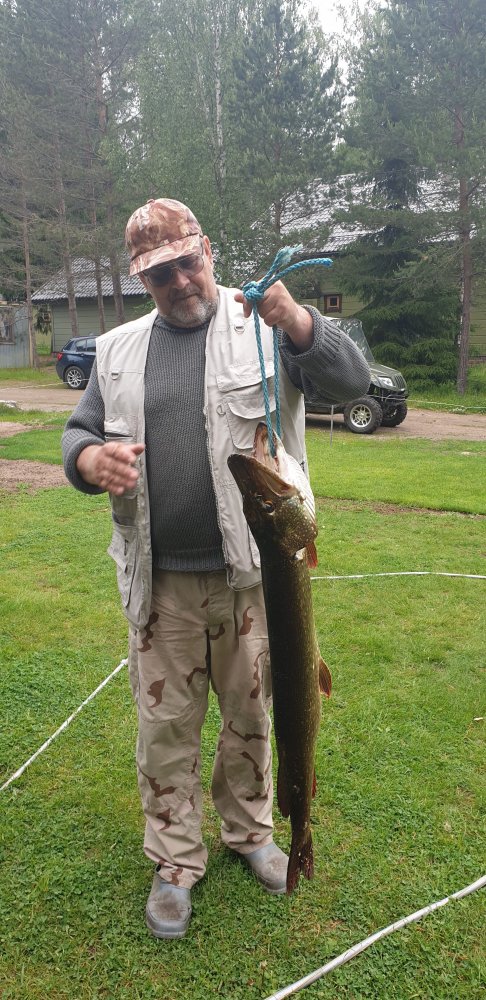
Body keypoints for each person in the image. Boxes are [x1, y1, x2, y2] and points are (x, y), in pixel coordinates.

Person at [62, 197, 370, 939]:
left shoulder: (261, 326)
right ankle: (174, 862)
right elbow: (78, 432)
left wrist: (300, 321)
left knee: (253, 717)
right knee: (165, 729)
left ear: (207, 251)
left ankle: (252, 832)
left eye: (185, 263)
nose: (177, 282)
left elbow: (353, 381)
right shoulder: (117, 351)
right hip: (159, 582)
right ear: (142, 279)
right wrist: (89, 460)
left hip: (253, 580)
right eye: (158, 274)